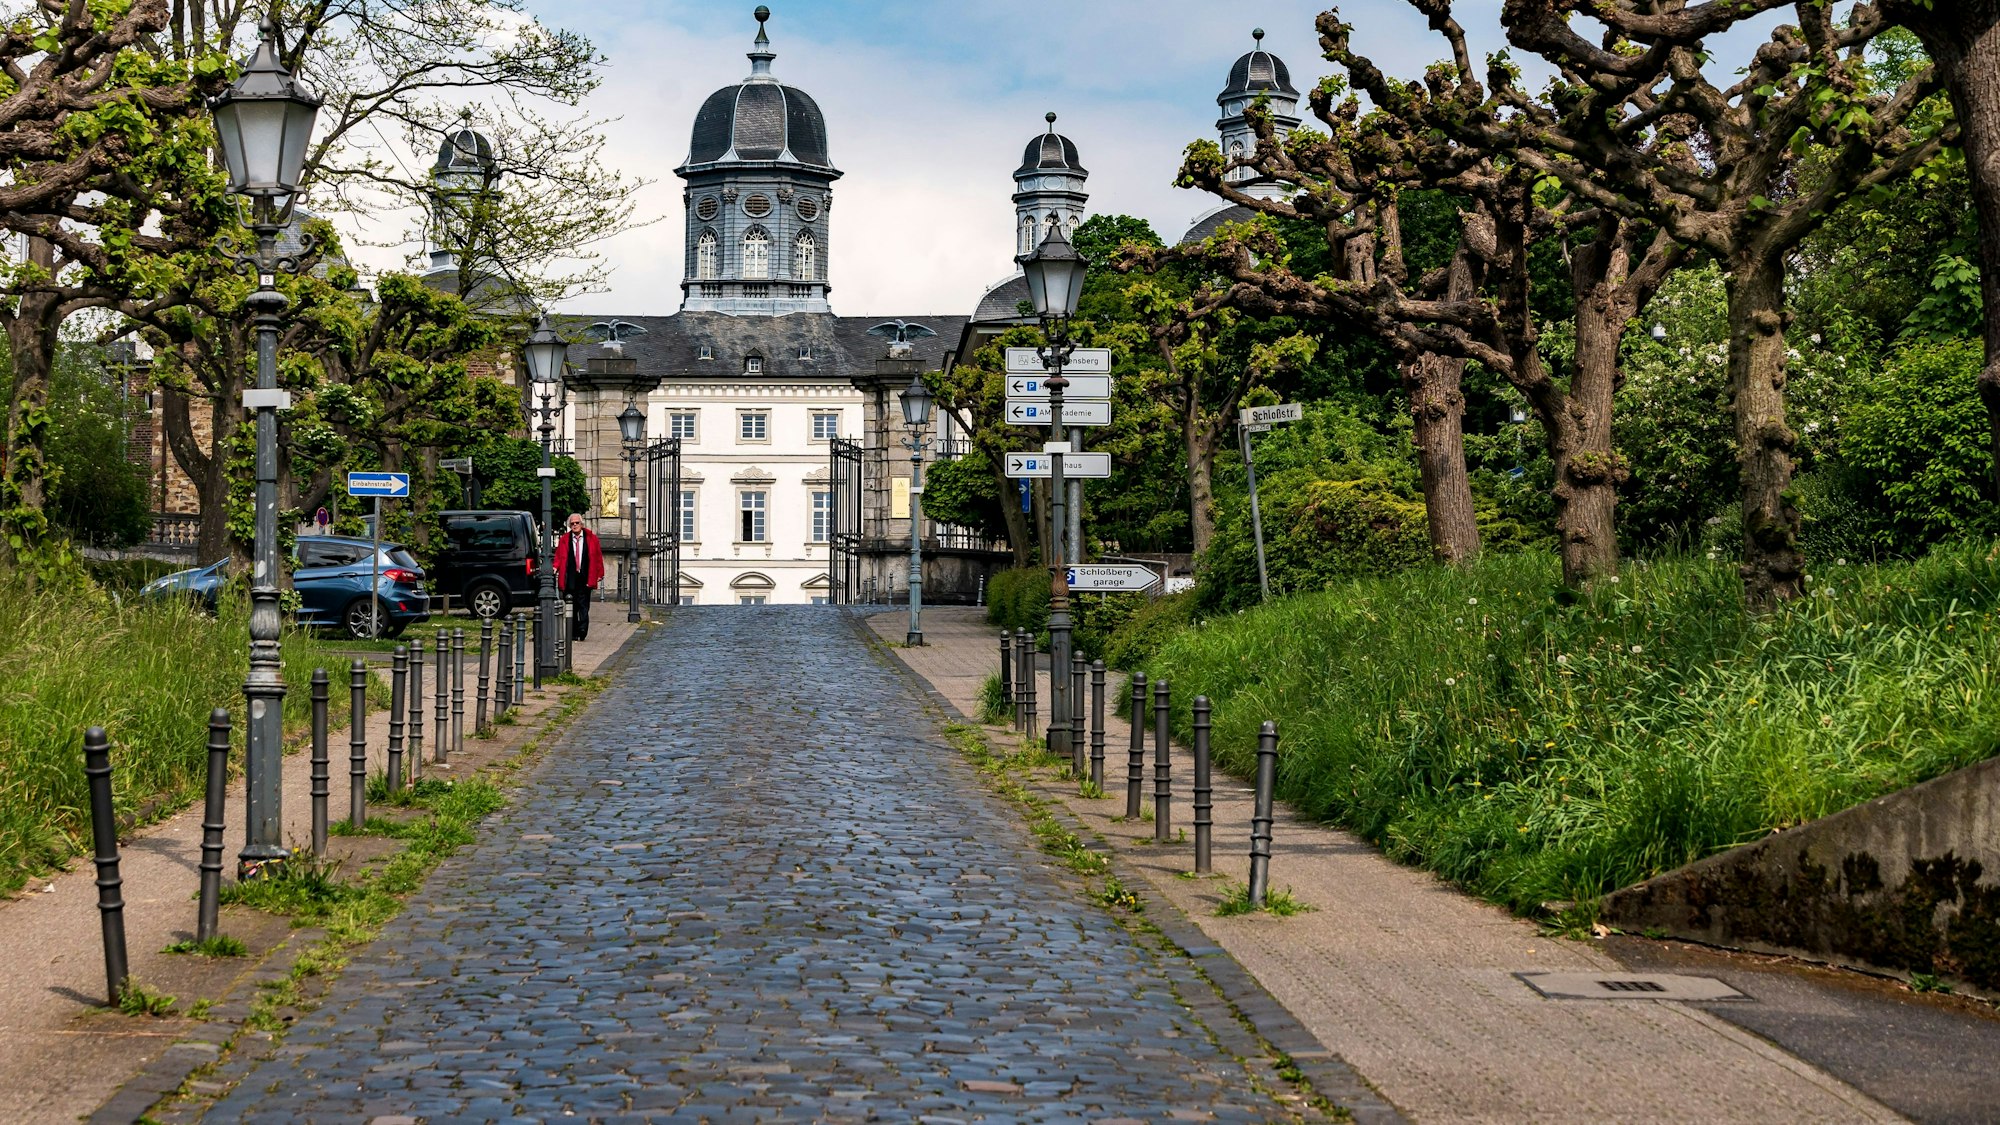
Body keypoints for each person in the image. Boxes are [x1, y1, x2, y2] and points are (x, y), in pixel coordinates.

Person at [555, 513, 604, 642]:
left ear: (581, 524)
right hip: (570, 576)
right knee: (572, 605)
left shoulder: (591, 538)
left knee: (583, 605)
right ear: (569, 525)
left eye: (577, 523)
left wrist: (600, 574)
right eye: (572, 523)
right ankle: (573, 632)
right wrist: (555, 568)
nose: (575, 525)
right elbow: (559, 556)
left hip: (585, 576)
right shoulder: (565, 539)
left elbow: (598, 557)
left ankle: (582, 630)